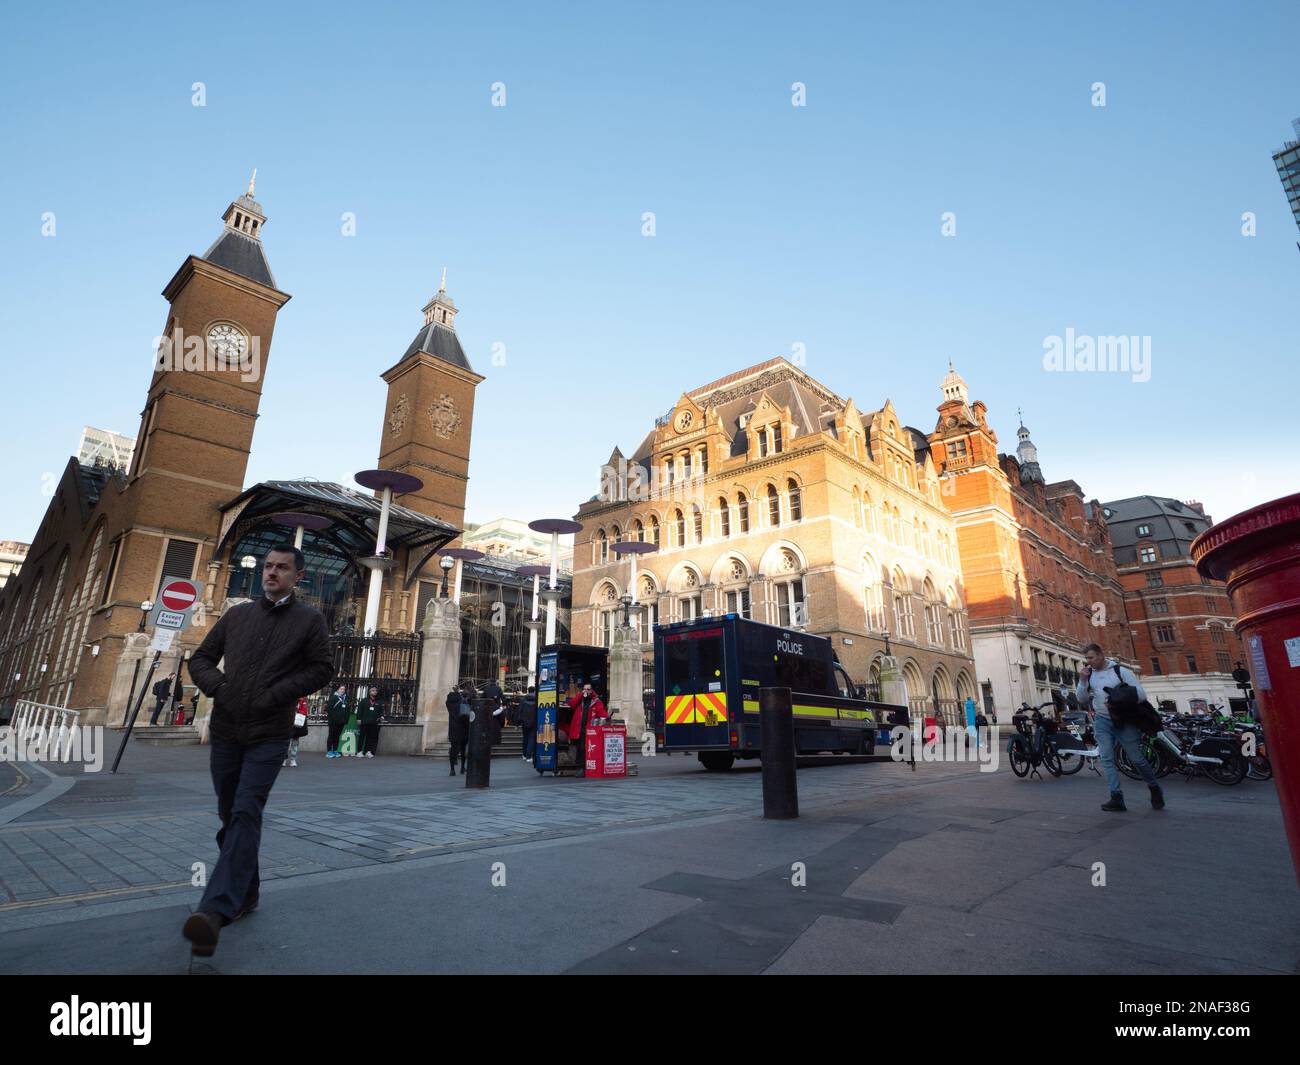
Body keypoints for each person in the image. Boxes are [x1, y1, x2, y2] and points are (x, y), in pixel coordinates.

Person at [182, 543, 332, 957]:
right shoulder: (238, 615)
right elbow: (201, 659)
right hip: (227, 730)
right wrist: (220, 688)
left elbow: (323, 667)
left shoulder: (309, 620)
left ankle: (213, 912)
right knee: (231, 817)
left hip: (269, 733)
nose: (272, 573)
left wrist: (275, 695)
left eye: (282, 568)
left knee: (247, 810)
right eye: (268, 566)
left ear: (298, 576)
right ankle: (247, 892)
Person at [1076, 642, 1164, 813]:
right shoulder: (1090, 675)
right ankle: (1116, 797)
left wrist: (1118, 700)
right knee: (1107, 759)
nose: (1089, 661)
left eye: (1091, 657)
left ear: (1101, 655)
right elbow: (1081, 699)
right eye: (1086, 658)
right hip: (1102, 720)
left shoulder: (1121, 671)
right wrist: (1082, 680)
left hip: (1124, 720)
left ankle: (1154, 787)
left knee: (1137, 759)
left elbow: (1141, 695)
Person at [565, 683, 605, 778]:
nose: (585, 691)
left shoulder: (596, 701)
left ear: (591, 690)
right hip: (579, 729)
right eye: (584, 689)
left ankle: (584, 768)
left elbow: (602, 713)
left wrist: (606, 717)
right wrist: (580, 695)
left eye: (587, 689)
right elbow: (571, 704)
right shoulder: (580, 699)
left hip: (590, 730)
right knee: (580, 749)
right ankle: (580, 768)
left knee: (585, 749)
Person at [446, 685, 467, 775]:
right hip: (462, 728)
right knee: (463, 749)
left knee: (453, 748)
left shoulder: (448, 703)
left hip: (452, 727)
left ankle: (452, 769)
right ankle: (462, 767)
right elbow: (466, 716)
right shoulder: (462, 701)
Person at [284, 696, 309, 768]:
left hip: (297, 724)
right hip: (287, 723)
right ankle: (284, 759)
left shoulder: (302, 700)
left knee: (295, 742)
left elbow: (305, 712)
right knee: (285, 742)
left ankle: (293, 759)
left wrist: (297, 710)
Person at [325, 684, 349, 759]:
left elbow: (347, 710)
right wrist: (333, 718)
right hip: (333, 721)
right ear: (337, 690)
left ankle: (335, 750)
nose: (342, 691)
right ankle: (329, 751)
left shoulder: (345, 698)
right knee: (331, 735)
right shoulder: (333, 698)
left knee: (337, 736)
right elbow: (329, 709)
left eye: (344, 689)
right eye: (341, 689)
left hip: (341, 722)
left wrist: (345, 719)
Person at [357, 686, 382, 758]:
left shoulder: (378, 702)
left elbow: (381, 711)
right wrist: (359, 719)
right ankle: (359, 751)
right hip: (364, 722)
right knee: (362, 737)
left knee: (370, 737)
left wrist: (381, 716)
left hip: (373, 723)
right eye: (373, 690)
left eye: (376, 691)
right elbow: (359, 710)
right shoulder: (364, 701)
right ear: (369, 692)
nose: (375, 692)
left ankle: (368, 751)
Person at [518, 686, 538, 762]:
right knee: (531, 739)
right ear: (534, 691)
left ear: (528, 691)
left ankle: (524, 755)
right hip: (534, 721)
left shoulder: (523, 700)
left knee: (525, 738)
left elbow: (519, 712)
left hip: (524, 722)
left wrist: (517, 723)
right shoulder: (537, 700)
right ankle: (529, 756)